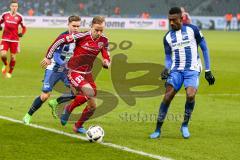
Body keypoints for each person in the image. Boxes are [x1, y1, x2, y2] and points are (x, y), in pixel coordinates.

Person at [150, 7, 215, 139]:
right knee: (167, 97)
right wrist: (166, 68)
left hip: (192, 69)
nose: (171, 23)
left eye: (174, 20)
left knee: (190, 95)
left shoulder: (193, 30)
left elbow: (205, 48)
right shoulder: (167, 37)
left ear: (181, 19)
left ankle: (184, 125)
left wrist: (208, 70)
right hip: (176, 70)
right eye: (169, 20)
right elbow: (168, 57)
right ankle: (157, 129)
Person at [41, 16, 110, 134]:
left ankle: (78, 126)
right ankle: (69, 108)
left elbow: (106, 55)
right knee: (89, 92)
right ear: (91, 27)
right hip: (74, 71)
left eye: (101, 30)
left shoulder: (104, 40)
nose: (99, 33)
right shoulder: (81, 36)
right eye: (96, 30)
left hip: (87, 74)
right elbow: (60, 41)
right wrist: (48, 57)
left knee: (93, 106)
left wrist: (106, 62)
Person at [22, 15, 81, 124]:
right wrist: (64, 64)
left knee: (76, 91)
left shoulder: (79, 38)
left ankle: (55, 102)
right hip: (54, 68)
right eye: (74, 26)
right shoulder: (62, 37)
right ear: (68, 24)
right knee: (45, 96)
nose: (76, 28)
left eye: (78, 26)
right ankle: (28, 115)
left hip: (66, 70)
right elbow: (56, 55)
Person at [0, 0, 26, 78]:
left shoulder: (20, 17)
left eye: (16, 6)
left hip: (14, 40)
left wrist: (22, 33)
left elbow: (24, 28)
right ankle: (5, 64)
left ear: (17, 7)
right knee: (3, 55)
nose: (14, 7)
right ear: (10, 7)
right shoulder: (5, 15)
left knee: (13, 57)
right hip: (5, 39)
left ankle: (10, 72)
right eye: (13, 6)